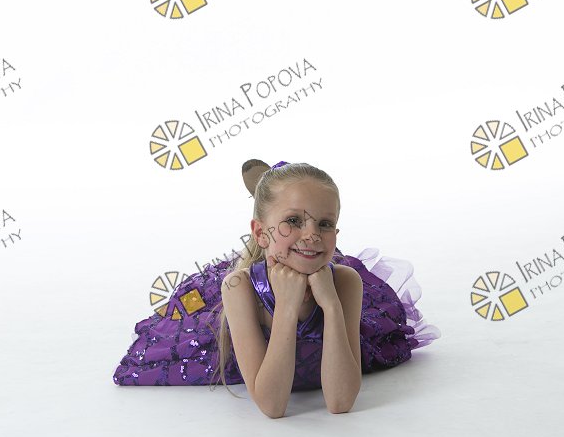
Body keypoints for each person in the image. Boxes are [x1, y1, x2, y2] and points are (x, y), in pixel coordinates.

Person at [112, 159, 440, 417]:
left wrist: (331, 306)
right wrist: (286, 306)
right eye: (294, 221)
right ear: (259, 232)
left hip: (312, 273)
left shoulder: (346, 282)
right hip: (251, 286)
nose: (312, 234)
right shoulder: (239, 289)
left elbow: (340, 402)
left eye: (325, 224)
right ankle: (268, 192)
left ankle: (273, 195)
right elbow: (272, 406)